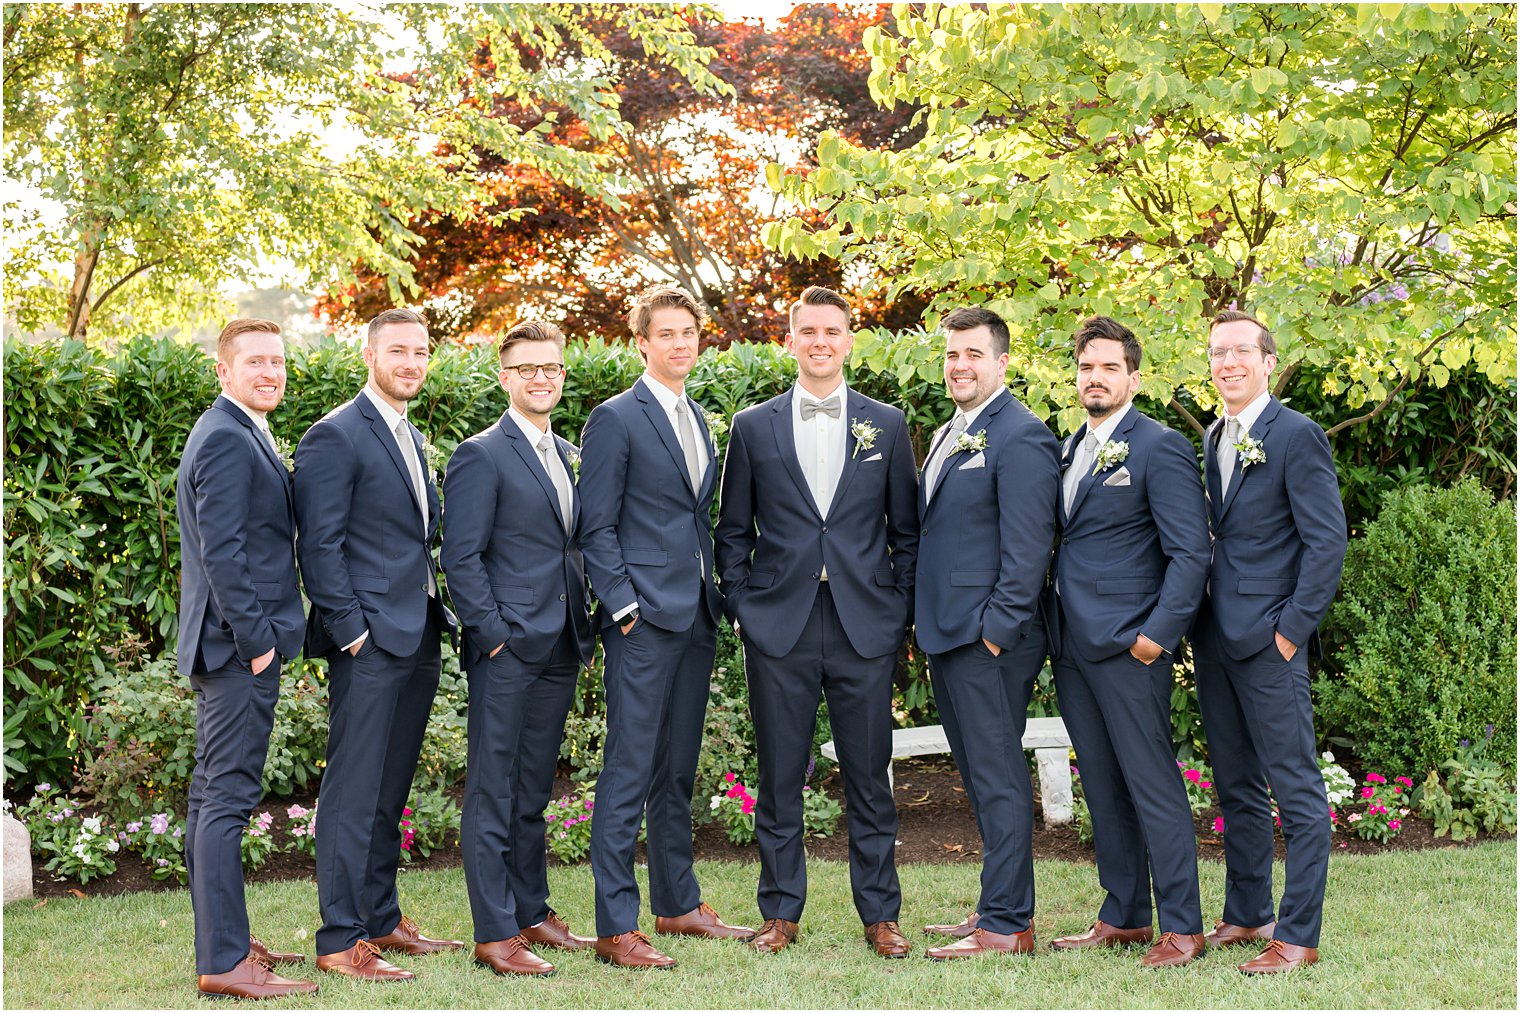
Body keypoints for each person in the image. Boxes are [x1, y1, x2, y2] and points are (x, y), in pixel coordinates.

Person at [715, 286, 919, 957]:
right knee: (779, 776)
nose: (821, 342)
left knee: (870, 775)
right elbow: (731, 531)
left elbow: (906, 533)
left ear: (850, 339)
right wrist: (745, 604)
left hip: (865, 624)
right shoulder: (752, 426)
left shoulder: (886, 425)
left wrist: (898, 611)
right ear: (791, 339)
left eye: (833, 331)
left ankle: (881, 915)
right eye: (809, 331)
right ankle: (780, 913)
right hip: (781, 624)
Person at [578, 286, 754, 969]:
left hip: (695, 616)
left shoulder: (698, 419)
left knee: (676, 768)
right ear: (641, 342)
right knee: (628, 768)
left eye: (690, 333)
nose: (681, 343)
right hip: (642, 622)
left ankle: (678, 903)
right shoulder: (615, 418)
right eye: (667, 333)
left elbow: (691, 519)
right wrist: (624, 606)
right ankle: (615, 925)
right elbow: (596, 525)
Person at [294, 307, 461, 982]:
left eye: (421, 352)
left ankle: (381, 917)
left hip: (416, 631)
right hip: (369, 640)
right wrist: (353, 632)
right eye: (398, 350)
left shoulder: (408, 434)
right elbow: (320, 544)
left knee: (389, 789)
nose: (412, 362)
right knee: (354, 789)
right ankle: (340, 938)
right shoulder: (335, 435)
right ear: (370, 355)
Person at [1046, 316, 1210, 966]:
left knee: (1151, 784)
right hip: (1073, 648)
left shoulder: (1158, 446)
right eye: (1088, 366)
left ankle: (1185, 927)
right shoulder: (1070, 448)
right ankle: (1124, 915)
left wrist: (1155, 638)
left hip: (1129, 648)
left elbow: (1191, 554)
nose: (1096, 377)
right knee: (1104, 785)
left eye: (1110, 367)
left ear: (1133, 378)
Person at [1192, 309, 1347, 974]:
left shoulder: (1296, 435)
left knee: (1297, 793)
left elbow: (1326, 541)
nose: (1227, 362)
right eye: (1217, 352)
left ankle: (1298, 933)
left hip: (1270, 644)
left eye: (1239, 351)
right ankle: (1250, 911)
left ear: (1266, 361)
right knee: (1237, 786)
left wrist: (1290, 632)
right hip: (1217, 641)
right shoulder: (1214, 438)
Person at [441, 319, 597, 977]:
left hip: (560, 643)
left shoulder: (563, 452)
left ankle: (532, 909)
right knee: (493, 789)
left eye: (551, 367)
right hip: (508, 649)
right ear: (504, 376)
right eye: (527, 367)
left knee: (533, 788)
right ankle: (496, 931)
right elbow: (461, 554)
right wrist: (495, 636)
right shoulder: (481, 453)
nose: (541, 377)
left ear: (562, 375)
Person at [914, 306, 1061, 960]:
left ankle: (1008, 924)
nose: (960, 366)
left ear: (1002, 361)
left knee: (998, 776)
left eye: (973, 354)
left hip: (988, 640)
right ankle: (993, 903)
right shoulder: (954, 430)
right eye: (952, 354)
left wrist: (995, 633)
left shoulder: (1021, 434)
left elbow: (1029, 547)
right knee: (979, 774)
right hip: (949, 635)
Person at [178, 318, 317, 1000]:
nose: (270, 372)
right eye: (255, 361)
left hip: (228, 646)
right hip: (237, 650)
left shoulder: (236, 430)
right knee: (226, 799)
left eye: (277, 361)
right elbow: (224, 553)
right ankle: (227, 961)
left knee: (211, 797)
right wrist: (259, 642)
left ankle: (223, 944)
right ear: (224, 371)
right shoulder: (229, 438)